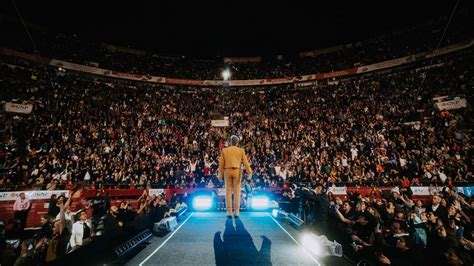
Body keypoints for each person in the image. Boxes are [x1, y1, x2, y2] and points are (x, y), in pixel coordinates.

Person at [218, 135, 252, 218]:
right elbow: (245, 162)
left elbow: (221, 163)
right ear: (237, 142)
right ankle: (236, 212)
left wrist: (219, 174)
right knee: (237, 192)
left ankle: (229, 212)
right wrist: (249, 172)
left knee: (228, 192)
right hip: (237, 171)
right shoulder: (241, 150)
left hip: (227, 171)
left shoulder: (224, 150)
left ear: (230, 142)